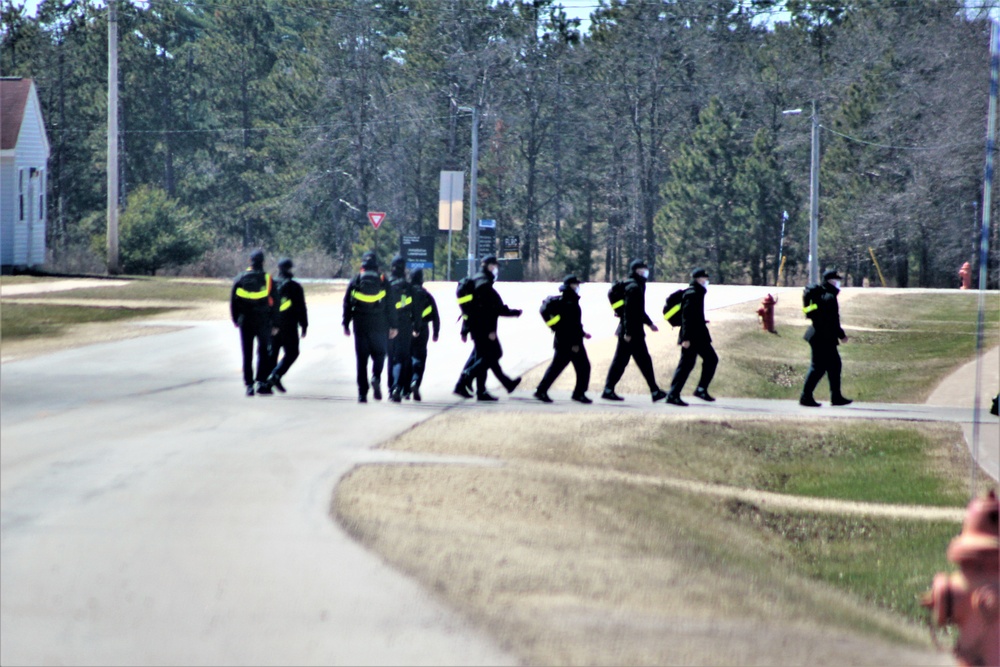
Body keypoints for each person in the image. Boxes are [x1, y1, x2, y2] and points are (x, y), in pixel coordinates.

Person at [602, 259, 668, 403]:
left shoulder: (637, 285)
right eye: (642, 270)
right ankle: (654, 391)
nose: (645, 272)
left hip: (632, 330)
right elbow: (629, 312)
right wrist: (628, 333)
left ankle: (653, 390)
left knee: (633, 361)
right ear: (636, 271)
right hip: (631, 332)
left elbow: (638, 310)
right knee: (632, 361)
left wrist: (650, 324)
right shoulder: (634, 287)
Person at [462, 256, 523, 401]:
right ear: (489, 266)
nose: (496, 269)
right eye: (495, 266)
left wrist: (465, 328)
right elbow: (492, 309)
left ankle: (489, 388)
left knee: (486, 357)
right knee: (493, 354)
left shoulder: (477, 279)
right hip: (484, 328)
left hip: (476, 326)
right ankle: (469, 375)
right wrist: (492, 329)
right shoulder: (484, 284)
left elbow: (472, 308)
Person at [534, 275, 593, 404]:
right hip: (570, 342)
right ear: (570, 286)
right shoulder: (569, 302)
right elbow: (569, 326)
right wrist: (575, 343)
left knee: (557, 367)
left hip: (564, 341)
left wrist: (583, 334)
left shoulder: (568, 300)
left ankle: (541, 390)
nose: (578, 287)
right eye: (576, 284)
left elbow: (572, 324)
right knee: (583, 367)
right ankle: (578, 394)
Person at [800, 268, 853, 407]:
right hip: (822, 337)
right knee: (818, 367)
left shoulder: (823, 295)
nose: (838, 284)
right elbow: (833, 320)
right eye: (836, 281)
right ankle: (805, 397)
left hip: (821, 335)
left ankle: (836, 397)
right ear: (830, 281)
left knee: (834, 365)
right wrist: (842, 335)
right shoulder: (829, 297)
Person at [343, 252, 392, 403]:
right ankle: (376, 377)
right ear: (377, 265)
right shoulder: (383, 280)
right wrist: (394, 325)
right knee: (379, 354)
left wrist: (346, 323)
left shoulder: (356, 280)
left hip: (360, 326)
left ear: (362, 265)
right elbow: (390, 305)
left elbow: (347, 303)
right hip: (379, 325)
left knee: (361, 360)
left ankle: (362, 394)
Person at [666, 267, 719, 406]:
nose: (707, 281)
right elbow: (686, 317)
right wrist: (685, 338)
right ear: (698, 279)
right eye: (704, 278)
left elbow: (693, 316)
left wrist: (702, 320)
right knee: (686, 365)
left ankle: (700, 389)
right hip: (692, 337)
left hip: (698, 335)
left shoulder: (698, 292)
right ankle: (673, 395)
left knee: (710, 359)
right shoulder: (693, 293)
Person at [231, 249, 278, 396]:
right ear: (263, 262)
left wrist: (236, 319)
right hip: (262, 321)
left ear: (249, 261)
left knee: (247, 353)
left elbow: (234, 301)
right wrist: (275, 323)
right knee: (263, 352)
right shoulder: (268, 279)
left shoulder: (239, 278)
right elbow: (275, 303)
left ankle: (249, 385)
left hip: (245, 321)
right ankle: (261, 382)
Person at [266, 257, 308, 393]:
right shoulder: (295, 286)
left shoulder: (270, 284)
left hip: (272, 325)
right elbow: (301, 308)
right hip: (289, 326)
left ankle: (268, 382)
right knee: (292, 353)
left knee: (272, 354)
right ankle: (276, 375)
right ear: (290, 269)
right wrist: (304, 325)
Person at [387, 255, 419, 402]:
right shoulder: (408, 287)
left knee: (391, 358)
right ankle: (398, 388)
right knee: (402, 358)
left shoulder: (387, 284)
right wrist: (416, 326)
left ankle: (391, 389)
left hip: (388, 326)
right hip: (405, 326)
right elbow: (414, 310)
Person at [409, 268, 440, 402]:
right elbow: (436, 316)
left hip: (408, 329)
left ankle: (405, 389)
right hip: (423, 329)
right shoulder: (427, 295)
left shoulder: (406, 293)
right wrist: (436, 332)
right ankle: (416, 381)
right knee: (420, 357)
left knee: (407, 358)